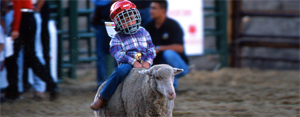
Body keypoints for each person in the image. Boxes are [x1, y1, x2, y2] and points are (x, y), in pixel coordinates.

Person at [90, 0, 156, 110]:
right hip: (128, 62)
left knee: (160, 73)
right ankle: (102, 97)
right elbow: (117, 52)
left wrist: (148, 61)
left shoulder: (143, 31)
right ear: (118, 22)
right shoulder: (117, 37)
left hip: (144, 61)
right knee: (119, 72)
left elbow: (151, 48)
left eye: (131, 18)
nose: (130, 22)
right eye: (125, 20)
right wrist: (133, 62)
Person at [4, 0, 59, 101]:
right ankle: (51, 84)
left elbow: (17, 5)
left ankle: (12, 92)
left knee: (11, 57)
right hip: (29, 17)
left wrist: (15, 28)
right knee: (31, 56)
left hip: (21, 18)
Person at [145, 0, 189, 90]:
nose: (150, 10)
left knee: (168, 54)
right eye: (150, 8)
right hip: (158, 66)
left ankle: (173, 85)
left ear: (163, 10)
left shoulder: (173, 25)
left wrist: (159, 48)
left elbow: (180, 48)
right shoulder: (148, 26)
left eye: (154, 8)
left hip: (179, 67)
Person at [90, 0, 116, 87]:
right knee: (102, 56)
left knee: (120, 55)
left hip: (114, 23)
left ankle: (120, 81)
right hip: (103, 22)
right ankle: (101, 83)